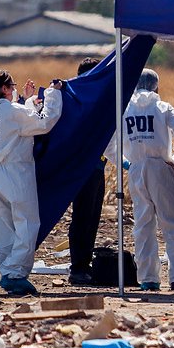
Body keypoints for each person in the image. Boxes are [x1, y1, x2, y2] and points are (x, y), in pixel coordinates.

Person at [108, 69, 174, 292]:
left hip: (136, 169)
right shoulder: (162, 108)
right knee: (172, 224)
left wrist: (125, 164)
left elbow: (109, 145)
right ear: (156, 86)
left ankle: (148, 278)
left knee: (143, 225)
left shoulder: (124, 110)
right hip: (161, 167)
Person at [0, 71, 63, 296]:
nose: (13, 88)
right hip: (15, 170)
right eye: (11, 85)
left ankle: (7, 270)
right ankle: (15, 273)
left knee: (4, 224)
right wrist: (53, 95)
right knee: (27, 222)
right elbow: (43, 123)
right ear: (4, 89)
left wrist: (26, 101)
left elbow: (16, 121)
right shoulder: (12, 110)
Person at [67, 58, 107, 286]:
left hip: (97, 166)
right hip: (82, 168)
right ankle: (78, 267)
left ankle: (84, 264)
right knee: (82, 217)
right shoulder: (75, 98)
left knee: (92, 218)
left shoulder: (97, 98)